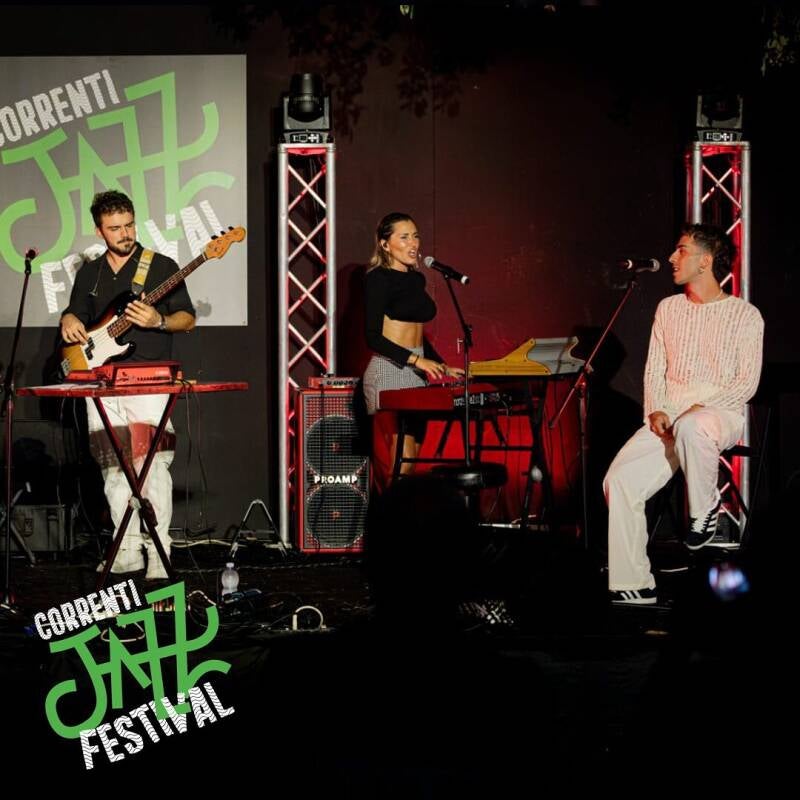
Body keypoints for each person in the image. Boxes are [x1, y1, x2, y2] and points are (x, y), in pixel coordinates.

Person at [604, 223, 764, 605]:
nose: (672, 258)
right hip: (672, 417)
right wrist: (656, 409)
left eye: (681, 250)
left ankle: (705, 509)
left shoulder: (745, 315)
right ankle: (632, 582)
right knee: (619, 480)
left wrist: (702, 407)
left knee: (693, 424)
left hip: (719, 414)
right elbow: (655, 369)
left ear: (705, 261)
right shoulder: (669, 309)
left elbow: (747, 384)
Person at [60, 190, 196, 579]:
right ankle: (126, 551)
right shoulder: (90, 272)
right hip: (101, 379)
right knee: (113, 468)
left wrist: (159, 321)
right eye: (115, 228)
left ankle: (159, 552)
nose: (125, 234)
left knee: (152, 467)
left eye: (129, 225)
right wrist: (68, 319)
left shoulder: (161, 266)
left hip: (149, 379)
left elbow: (187, 318)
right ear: (99, 231)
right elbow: (76, 313)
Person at [362, 212, 463, 485]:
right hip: (389, 370)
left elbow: (418, 336)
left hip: (416, 373)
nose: (413, 243)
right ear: (385, 244)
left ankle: (398, 511)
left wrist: (440, 365)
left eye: (415, 236)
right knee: (402, 464)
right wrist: (418, 362)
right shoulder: (378, 278)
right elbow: (373, 337)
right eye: (404, 237)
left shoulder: (416, 279)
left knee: (411, 461)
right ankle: (388, 513)